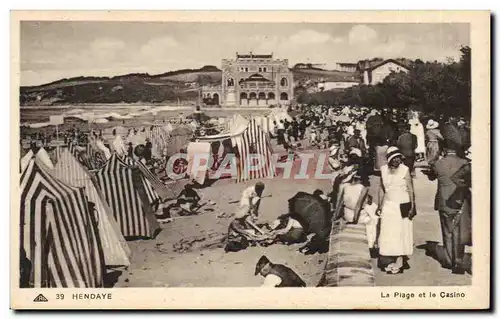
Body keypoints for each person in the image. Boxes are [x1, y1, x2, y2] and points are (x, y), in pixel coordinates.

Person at [425, 146, 469, 274]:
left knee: (447, 232)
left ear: (444, 150)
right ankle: (458, 260)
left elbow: (431, 177)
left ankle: (450, 261)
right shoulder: (464, 162)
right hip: (460, 201)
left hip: (444, 201)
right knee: (459, 231)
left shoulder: (438, 163)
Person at [377, 146, 416, 274]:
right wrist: (379, 206)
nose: (397, 161)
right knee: (389, 233)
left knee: (401, 233)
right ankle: (389, 260)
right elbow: (382, 190)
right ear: (389, 159)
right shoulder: (383, 170)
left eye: (399, 158)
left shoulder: (405, 170)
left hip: (402, 204)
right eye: (394, 158)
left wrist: (413, 206)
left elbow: (410, 189)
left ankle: (399, 262)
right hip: (388, 206)